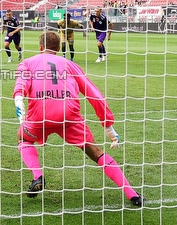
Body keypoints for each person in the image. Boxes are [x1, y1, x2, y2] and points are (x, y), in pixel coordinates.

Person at [13, 31, 141, 207]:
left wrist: (18, 99)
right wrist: (108, 127)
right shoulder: (70, 65)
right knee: (96, 152)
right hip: (69, 115)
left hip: (39, 115)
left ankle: (38, 176)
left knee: (23, 138)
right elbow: (93, 93)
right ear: (58, 48)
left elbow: (21, 84)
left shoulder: (27, 63)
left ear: (40, 47)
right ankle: (133, 195)